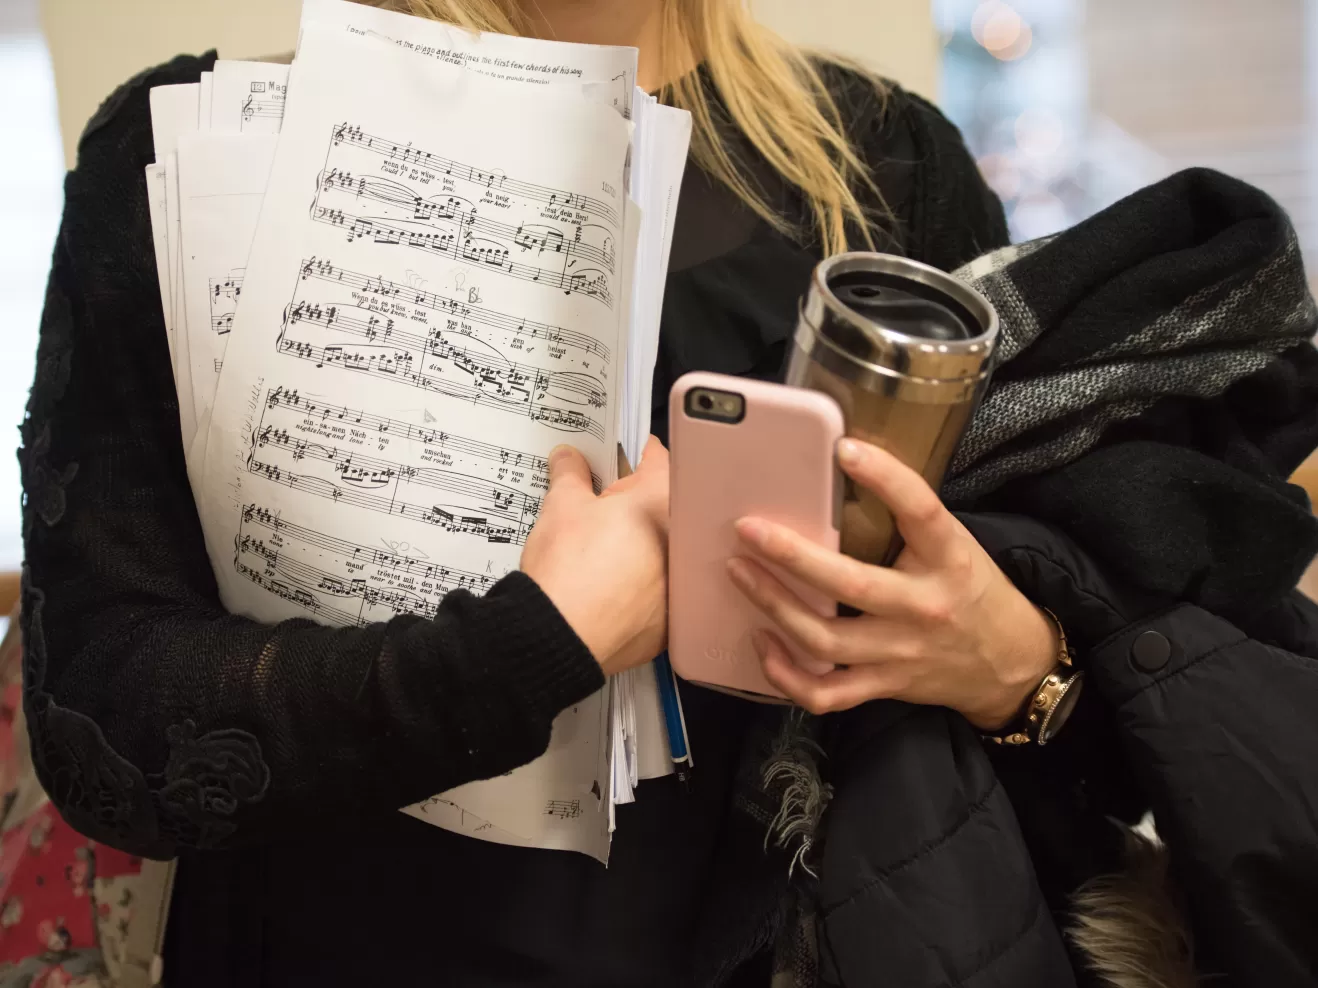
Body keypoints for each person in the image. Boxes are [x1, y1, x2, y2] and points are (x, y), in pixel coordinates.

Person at [20, 0, 1318, 985]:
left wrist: (1012, 665)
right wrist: (540, 642)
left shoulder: (881, 163)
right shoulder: (193, 144)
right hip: (334, 943)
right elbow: (107, 724)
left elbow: (1082, 741)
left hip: (798, 941)